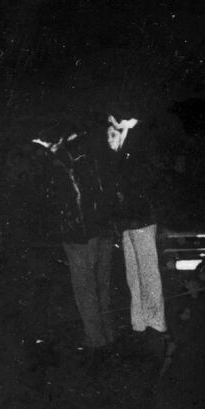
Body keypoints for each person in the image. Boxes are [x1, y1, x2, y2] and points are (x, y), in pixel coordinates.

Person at [35, 125, 116, 355]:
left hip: (79, 233)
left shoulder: (60, 161)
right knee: (103, 285)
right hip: (103, 229)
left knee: (84, 288)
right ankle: (108, 333)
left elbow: (64, 200)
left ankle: (95, 338)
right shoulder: (97, 156)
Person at [101, 111, 168, 350]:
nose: (109, 138)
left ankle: (156, 321)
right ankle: (139, 321)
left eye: (112, 131)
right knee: (133, 275)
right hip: (127, 221)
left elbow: (147, 180)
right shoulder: (120, 150)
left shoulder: (139, 144)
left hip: (141, 218)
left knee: (148, 273)